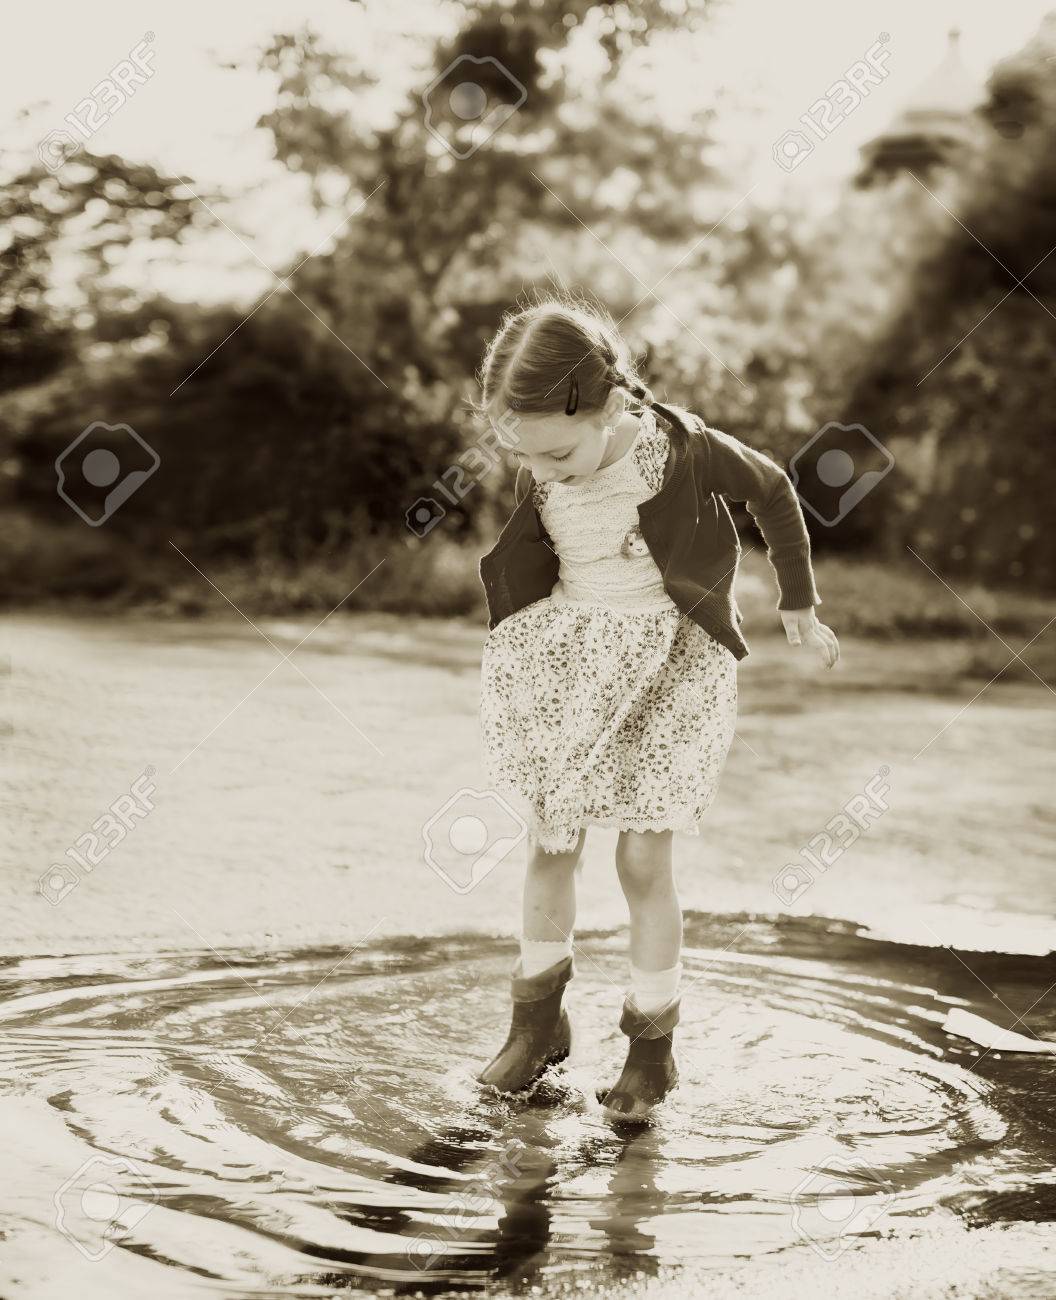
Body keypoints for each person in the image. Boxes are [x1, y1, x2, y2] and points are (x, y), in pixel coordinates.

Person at [474, 297, 839, 1121]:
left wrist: (799, 601)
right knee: (551, 841)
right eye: (528, 457)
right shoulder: (548, 446)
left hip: (672, 671)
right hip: (573, 668)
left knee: (642, 863)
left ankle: (651, 1050)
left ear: (607, 407)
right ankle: (536, 1029)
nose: (545, 473)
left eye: (560, 454)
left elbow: (776, 489)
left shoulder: (684, 452)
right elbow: (543, 544)